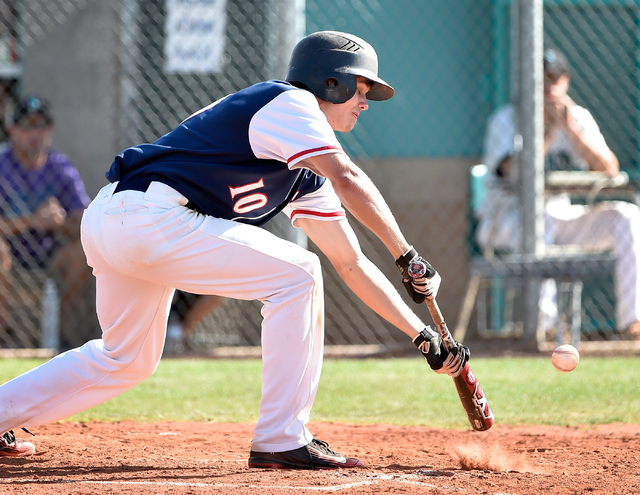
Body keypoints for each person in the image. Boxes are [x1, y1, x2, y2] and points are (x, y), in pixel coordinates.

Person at [0, 31, 470, 464]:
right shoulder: (290, 102)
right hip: (149, 215)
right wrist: (407, 254)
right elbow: (348, 177)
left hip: (122, 220)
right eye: (360, 90)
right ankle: (283, 438)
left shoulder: (304, 175)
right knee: (298, 275)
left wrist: (420, 335)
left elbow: (350, 262)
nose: (365, 104)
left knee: (127, 358)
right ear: (330, 81)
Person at [477, 47, 640, 339]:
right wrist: (549, 131)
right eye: (542, 78)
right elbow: (515, 173)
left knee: (627, 215)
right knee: (541, 219)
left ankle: (633, 321)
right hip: (506, 220)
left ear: (566, 81)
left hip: (560, 215)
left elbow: (609, 170)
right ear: (529, 83)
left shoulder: (577, 116)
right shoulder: (506, 119)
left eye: (555, 78)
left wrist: (571, 129)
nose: (549, 86)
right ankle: (547, 325)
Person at [0, 94, 91, 346]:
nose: (35, 134)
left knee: (81, 252)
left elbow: (85, 220)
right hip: (11, 253)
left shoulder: (61, 168)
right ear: (12, 131)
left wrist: (59, 222)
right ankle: (4, 339)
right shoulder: (1, 165)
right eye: (27, 127)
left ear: (50, 130)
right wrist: (32, 221)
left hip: (50, 252)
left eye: (40, 126)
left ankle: (64, 340)